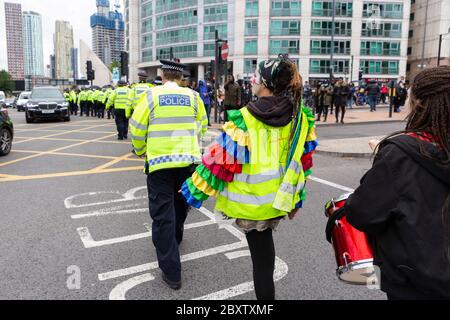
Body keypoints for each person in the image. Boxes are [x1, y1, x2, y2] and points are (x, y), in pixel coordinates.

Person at [181, 55, 318, 300]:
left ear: (264, 83)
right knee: (264, 259)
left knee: (262, 264)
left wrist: (193, 191)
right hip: (278, 200)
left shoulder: (245, 119)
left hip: (250, 205)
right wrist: (297, 199)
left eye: (256, 75)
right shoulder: (299, 117)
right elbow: (303, 163)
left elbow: (218, 162)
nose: (252, 79)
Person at [344, 66, 450, 300]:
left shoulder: (400, 153)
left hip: (416, 282)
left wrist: (387, 160)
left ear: (419, 103)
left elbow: (363, 214)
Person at [130, 59, 208, 291]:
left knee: (163, 213)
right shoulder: (193, 97)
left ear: (163, 75)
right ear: (181, 77)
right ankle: (177, 235)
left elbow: (136, 128)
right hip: (187, 162)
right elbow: (202, 126)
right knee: (180, 202)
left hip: (160, 164)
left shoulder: (152, 96)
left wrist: (141, 150)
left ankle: (172, 272)